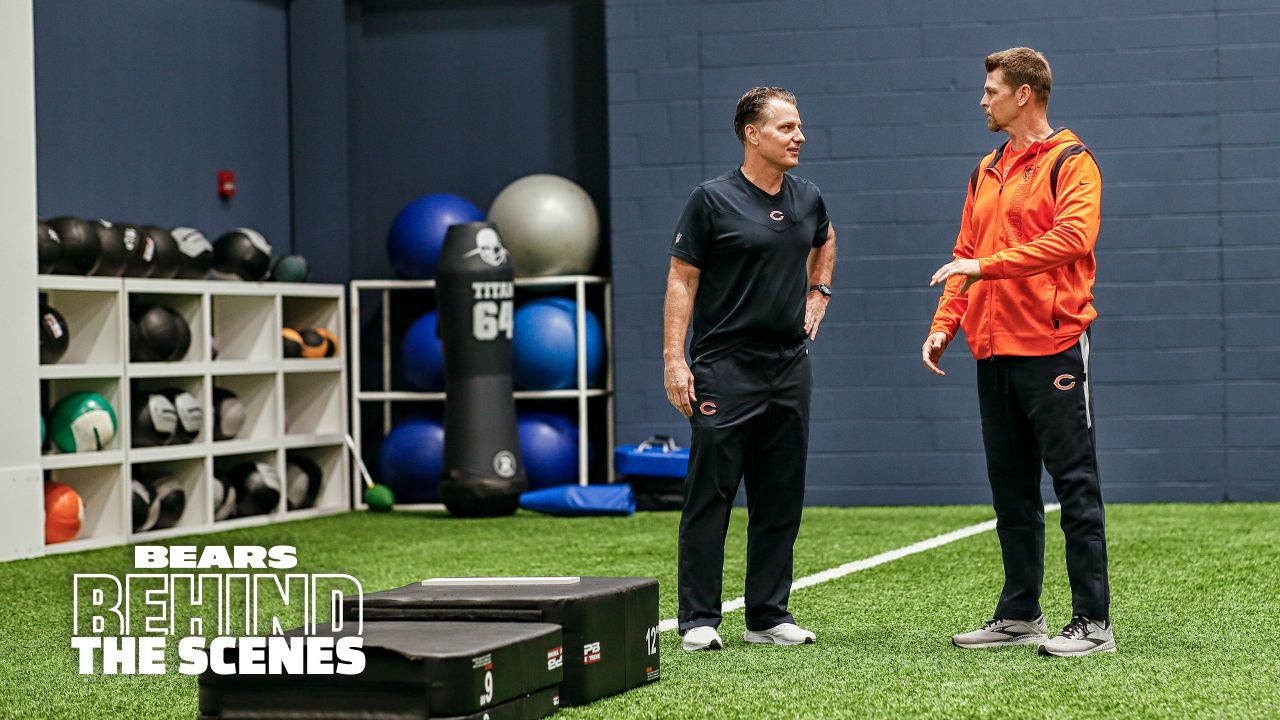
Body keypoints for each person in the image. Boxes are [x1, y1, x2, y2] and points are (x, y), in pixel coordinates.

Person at [924, 48, 1113, 657]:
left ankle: (1092, 623)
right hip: (992, 349)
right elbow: (966, 250)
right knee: (1011, 490)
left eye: (991, 90)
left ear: (1023, 94)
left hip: (1052, 346)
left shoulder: (1072, 161)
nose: (982, 100)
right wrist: (944, 324)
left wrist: (986, 267)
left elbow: (1071, 238)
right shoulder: (986, 168)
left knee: (1075, 486)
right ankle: (1020, 615)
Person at [663, 86, 836, 652]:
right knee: (711, 495)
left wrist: (819, 292)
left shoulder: (808, 197)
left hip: (788, 366)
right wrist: (674, 358)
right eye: (786, 128)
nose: (799, 136)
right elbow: (682, 280)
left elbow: (825, 239)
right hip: (723, 367)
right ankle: (697, 619)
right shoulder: (710, 200)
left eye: (799, 126)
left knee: (780, 494)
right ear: (752, 135)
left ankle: (767, 615)